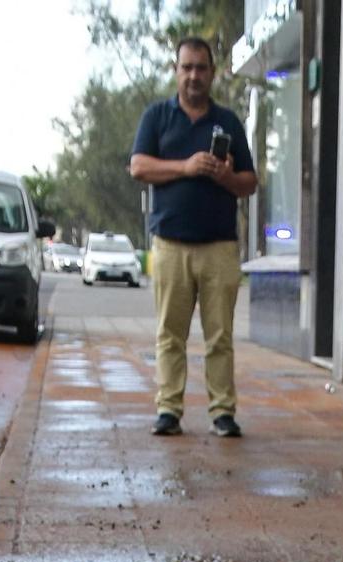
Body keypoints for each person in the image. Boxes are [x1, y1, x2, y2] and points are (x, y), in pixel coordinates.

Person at [130, 36, 258, 438]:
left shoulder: (229, 122)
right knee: (170, 334)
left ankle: (223, 412)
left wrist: (226, 176)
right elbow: (138, 167)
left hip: (219, 247)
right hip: (170, 245)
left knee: (220, 336)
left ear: (212, 73)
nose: (193, 76)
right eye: (186, 68)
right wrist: (185, 167)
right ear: (176, 71)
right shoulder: (157, 117)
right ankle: (169, 410)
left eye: (201, 68)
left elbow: (250, 182)